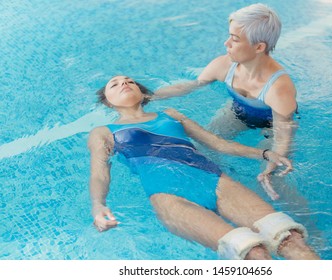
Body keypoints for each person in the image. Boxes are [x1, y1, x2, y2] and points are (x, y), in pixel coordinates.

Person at [88, 75, 320, 260]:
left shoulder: (169, 115)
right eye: (115, 84)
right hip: (171, 198)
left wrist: (265, 153)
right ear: (108, 101)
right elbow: (99, 173)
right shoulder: (103, 132)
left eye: (129, 81)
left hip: (217, 182)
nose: (124, 84)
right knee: (251, 253)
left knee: (289, 237)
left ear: (143, 93)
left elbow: (216, 143)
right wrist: (98, 205)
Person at [153, 3, 297, 200]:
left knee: (271, 176)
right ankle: (223, 187)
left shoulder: (278, 88)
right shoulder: (224, 65)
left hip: (272, 125)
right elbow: (189, 86)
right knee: (203, 145)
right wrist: (150, 96)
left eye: (235, 39)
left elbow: (283, 135)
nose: (226, 43)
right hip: (237, 112)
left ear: (259, 47)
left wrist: (271, 168)